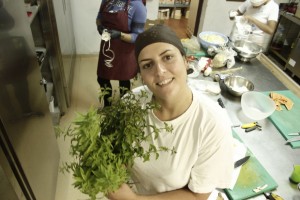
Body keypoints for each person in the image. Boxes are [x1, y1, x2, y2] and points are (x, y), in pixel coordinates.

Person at [107, 24, 234, 200]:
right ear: (141, 75)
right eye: (148, 65)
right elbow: (115, 154)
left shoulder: (213, 123)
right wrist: (110, 177)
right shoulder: (131, 103)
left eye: (167, 57)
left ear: (186, 61)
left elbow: (198, 195)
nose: (160, 71)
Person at [96, 0, 147, 107]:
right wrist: (99, 26)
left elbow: (138, 36)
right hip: (107, 47)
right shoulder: (107, 1)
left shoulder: (138, 6)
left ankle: (123, 107)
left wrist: (119, 35)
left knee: (123, 79)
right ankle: (107, 104)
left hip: (125, 50)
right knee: (102, 77)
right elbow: (99, 17)